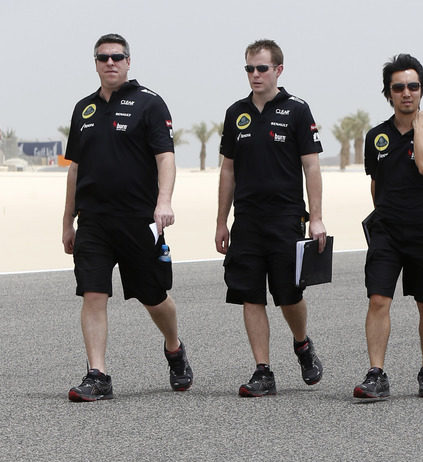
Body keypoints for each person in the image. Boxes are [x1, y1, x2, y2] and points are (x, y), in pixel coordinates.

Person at [62, 33, 192, 401]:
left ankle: (174, 347)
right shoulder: (83, 109)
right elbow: (75, 168)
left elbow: (165, 156)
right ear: (96, 63)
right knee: (93, 294)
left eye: (117, 57)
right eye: (103, 58)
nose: (110, 63)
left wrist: (163, 202)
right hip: (94, 222)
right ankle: (97, 374)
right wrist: (67, 219)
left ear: (129, 61)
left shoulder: (148, 103)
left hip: (138, 219)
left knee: (154, 297)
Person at [216, 39, 325, 397]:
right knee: (250, 295)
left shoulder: (296, 109)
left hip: (286, 219)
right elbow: (227, 171)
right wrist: (221, 221)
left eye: (262, 68)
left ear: (278, 70)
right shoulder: (236, 113)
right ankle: (263, 371)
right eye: (249, 68)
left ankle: (302, 343)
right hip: (246, 220)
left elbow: (311, 166)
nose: (255, 75)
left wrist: (317, 218)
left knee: (288, 296)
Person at [354, 54, 423, 401]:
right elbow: (376, 184)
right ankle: (376, 374)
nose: (406, 93)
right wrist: (382, 215)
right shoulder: (376, 136)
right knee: (378, 299)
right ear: (388, 93)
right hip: (387, 231)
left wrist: (420, 129)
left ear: (422, 90)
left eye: (413, 86)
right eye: (398, 88)